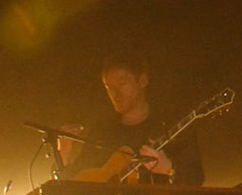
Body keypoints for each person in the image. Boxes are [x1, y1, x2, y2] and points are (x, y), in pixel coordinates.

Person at [57, 54, 205, 186]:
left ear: (142, 81)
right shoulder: (101, 132)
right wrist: (63, 154)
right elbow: (74, 185)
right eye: (109, 88)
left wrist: (169, 169)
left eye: (122, 84)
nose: (115, 94)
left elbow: (196, 177)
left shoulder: (171, 126)